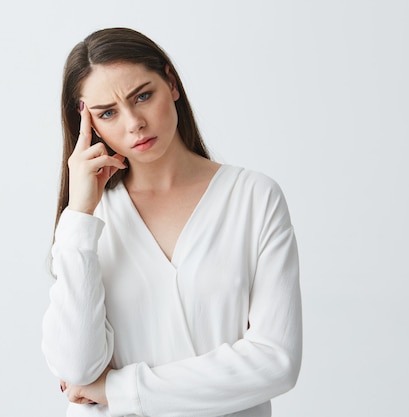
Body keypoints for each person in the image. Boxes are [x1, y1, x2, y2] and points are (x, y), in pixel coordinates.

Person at [41, 27, 302, 417]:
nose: (134, 123)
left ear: (172, 83)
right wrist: (78, 216)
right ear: (89, 125)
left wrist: (117, 388)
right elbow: (77, 369)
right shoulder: (89, 223)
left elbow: (276, 362)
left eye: (143, 96)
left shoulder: (253, 198)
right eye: (108, 113)